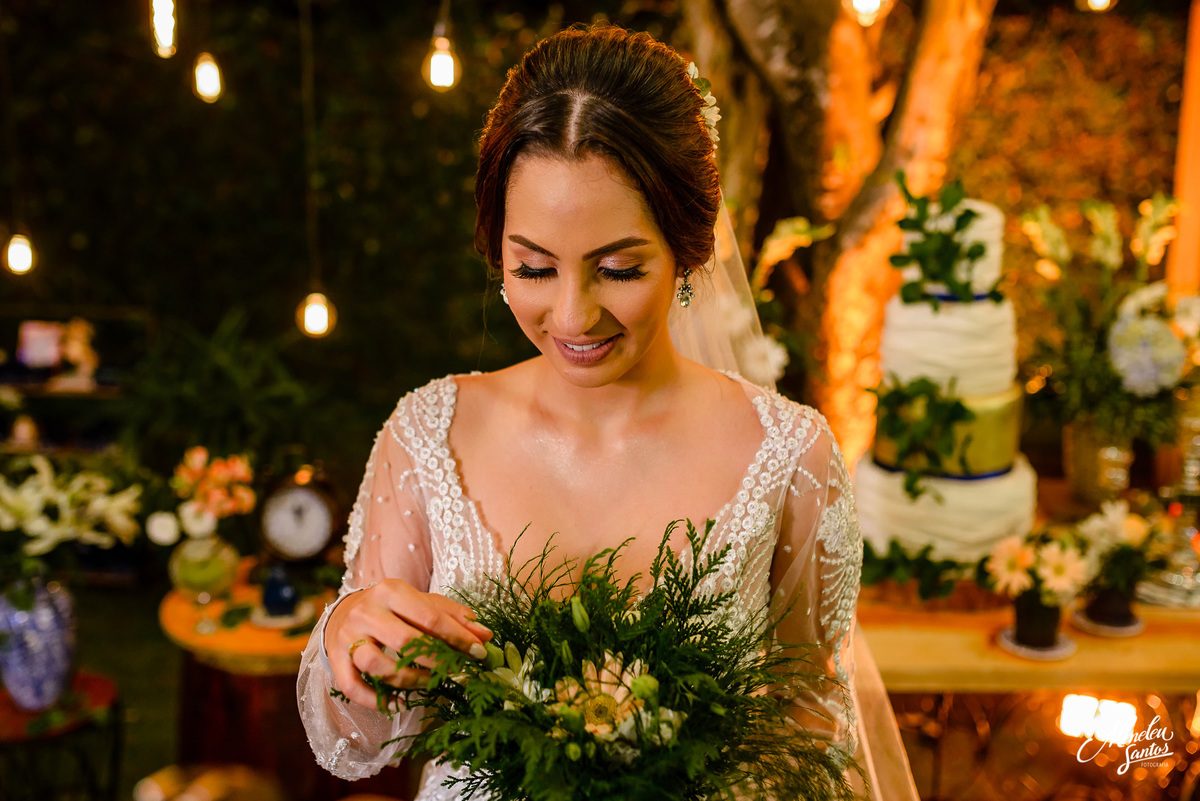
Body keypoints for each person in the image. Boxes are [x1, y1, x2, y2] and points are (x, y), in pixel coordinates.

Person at [298, 23, 878, 800]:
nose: (572, 316)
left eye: (617, 268)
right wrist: (351, 643)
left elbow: (813, 728)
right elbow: (358, 740)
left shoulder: (790, 457)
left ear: (690, 247)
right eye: (533, 268)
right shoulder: (427, 437)